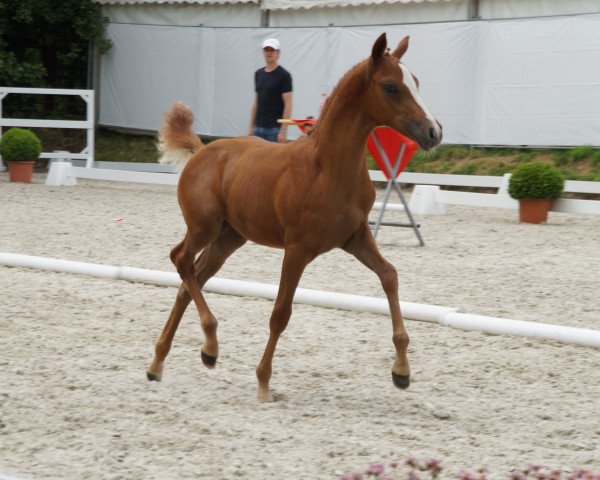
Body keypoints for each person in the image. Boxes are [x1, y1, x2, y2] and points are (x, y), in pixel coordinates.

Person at [247, 38, 293, 143]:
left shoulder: (284, 75)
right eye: (266, 50)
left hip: (274, 130)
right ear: (263, 52)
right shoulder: (258, 74)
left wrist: (283, 131)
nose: (269, 52)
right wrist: (251, 127)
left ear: (278, 53)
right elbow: (256, 102)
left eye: (272, 50)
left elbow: (288, 104)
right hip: (258, 129)